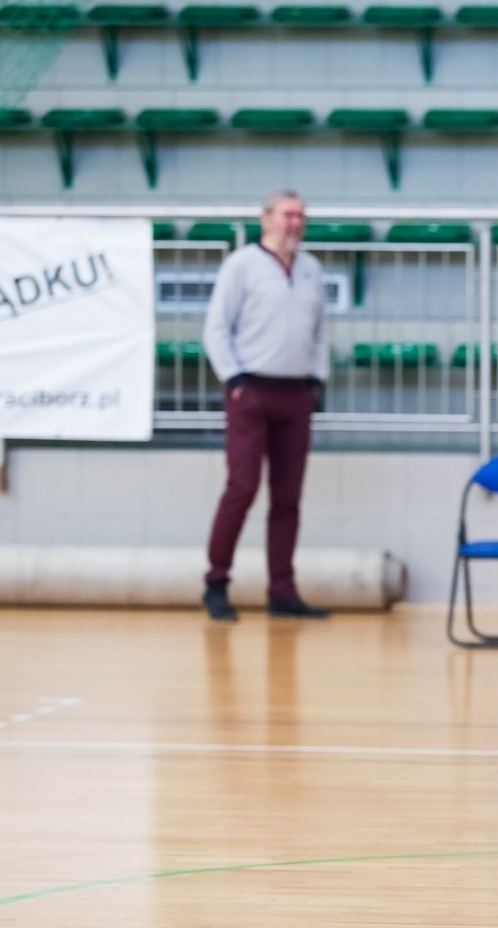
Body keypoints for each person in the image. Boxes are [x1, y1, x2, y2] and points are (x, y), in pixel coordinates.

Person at [200, 191, 331, 623]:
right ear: (266, 219)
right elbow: (216, 327)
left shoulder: (311, 269)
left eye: (300, 216)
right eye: (286, 214)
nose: (294, 222)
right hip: (251, 391)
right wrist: (233, 379)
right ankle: (216, 583)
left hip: (296, 394)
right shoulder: (241, 265)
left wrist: (317, 379)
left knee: (288, 497)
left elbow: (320, 332)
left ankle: (282, 590)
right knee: (242, 488)